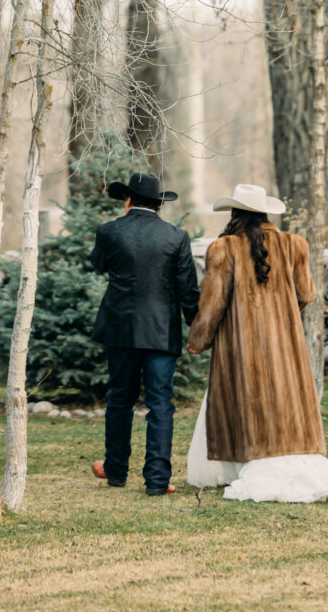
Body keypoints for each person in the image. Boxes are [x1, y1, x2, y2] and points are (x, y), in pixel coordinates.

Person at [186, 183, 328, 503]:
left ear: (234, 213)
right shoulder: (295, 244)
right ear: (266, 212)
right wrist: (281, 313)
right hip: (286, 339)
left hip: (238, 343)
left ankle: (245, 462)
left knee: (245, 399)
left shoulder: (223, 248)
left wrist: (199, 338)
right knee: (283, 398)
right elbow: (307, 294)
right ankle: (285, 457)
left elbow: (212, 305)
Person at [90, 171, 199, 496]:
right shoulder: (176, 236)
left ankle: (116, 471)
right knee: (160, 403)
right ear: (159, 204)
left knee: (120, 398)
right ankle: (156, 480)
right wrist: (196, 328)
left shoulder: (109, 231)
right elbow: (187, 289)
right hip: (161, 331)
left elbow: (98, 265)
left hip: (120, 327)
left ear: (128, 200)